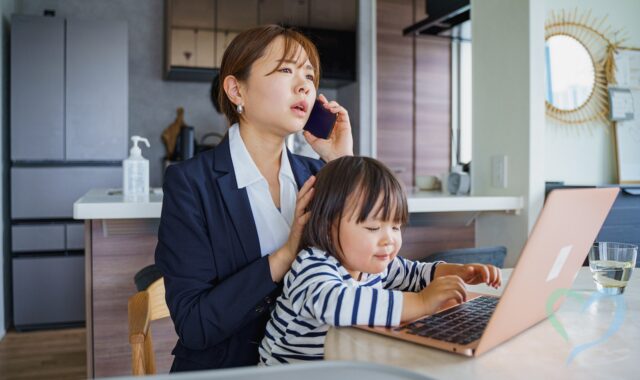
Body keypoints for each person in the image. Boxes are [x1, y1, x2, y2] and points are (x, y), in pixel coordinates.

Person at [155, 25, 353, 371]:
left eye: (309, 74)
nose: (304, 84)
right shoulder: (190, 183)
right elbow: (195, 325)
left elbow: (370, 267)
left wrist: (342, 164)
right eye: (286, 70)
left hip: (315, 366)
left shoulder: (321, 174)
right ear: (236, 90)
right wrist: (285, 255)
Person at [258, 156, 502, 365]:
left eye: (395, 227)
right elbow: (336, 304)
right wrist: (421, 302)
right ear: (328, 226)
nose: (389, 240)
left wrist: (457, 271)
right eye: (373, 227)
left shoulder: (373, 264)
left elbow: (414, 273)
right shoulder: (311, 266)